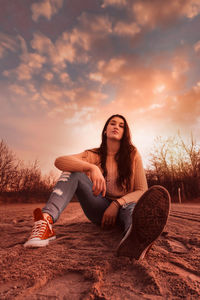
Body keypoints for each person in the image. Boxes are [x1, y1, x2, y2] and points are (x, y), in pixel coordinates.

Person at [24, 114, 170, 260]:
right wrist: (91, 168)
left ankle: (135, 239)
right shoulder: (92, 154)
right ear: (105, 130)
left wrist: (117, 203)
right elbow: (60, 161)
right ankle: (45, 222)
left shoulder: (133, 154)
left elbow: (142, 190)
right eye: (112, 123)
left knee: (133, 210)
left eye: (121, 125)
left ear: (125, 133)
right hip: (100, 209)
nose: (116, 127)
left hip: (126, 206)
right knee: (72, 171)